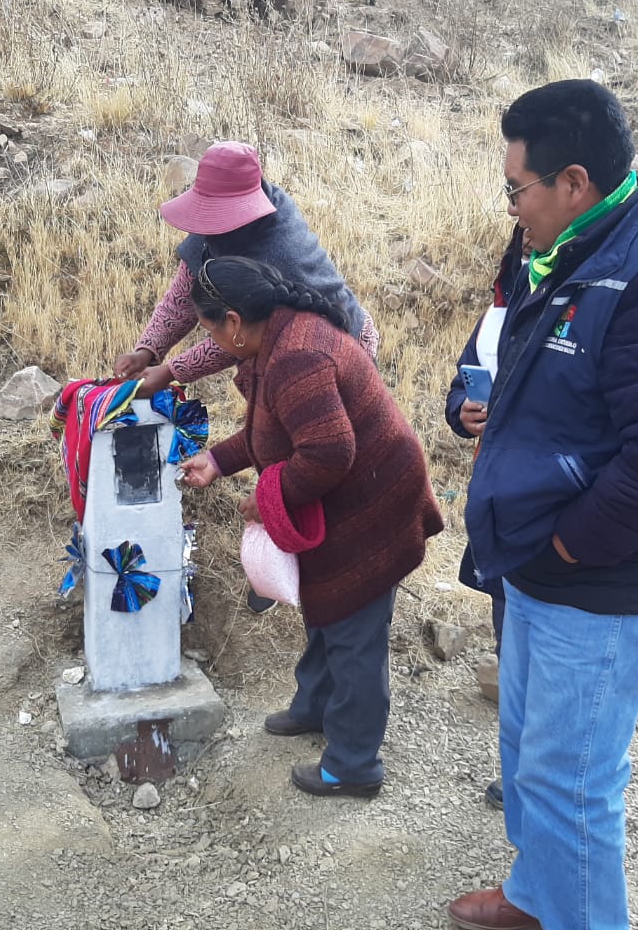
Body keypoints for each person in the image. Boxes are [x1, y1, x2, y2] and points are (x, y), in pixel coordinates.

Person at [445, 80, 638, 930]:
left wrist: (568, 550)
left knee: (573, 786)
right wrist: (469, 401)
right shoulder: (550, 249)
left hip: (594, 576)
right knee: (533, 762)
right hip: (529, 558)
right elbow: (501, 347)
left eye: (515, 188)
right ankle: (536, 897)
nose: (509, 204)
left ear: (573, 182)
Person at [179, 256, 443, 797]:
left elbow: (326, 452)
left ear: (232, 321)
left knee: (354, 630)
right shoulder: (277, 339)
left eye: (208, 329)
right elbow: (278, 431)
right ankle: (316, 706)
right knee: (327, 608)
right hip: (350, 492)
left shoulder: (296, 355)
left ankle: (354, 764)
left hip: (373, 501)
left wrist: (266, 499)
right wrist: (220, 460)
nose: (209, 341)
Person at [113, 140, 379, 393]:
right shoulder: (219, 222)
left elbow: (240, 336)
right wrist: (146, 351)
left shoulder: (280, 254)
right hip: (286, 356)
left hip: (337, 354)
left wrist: (171, 372)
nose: (210, 225)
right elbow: (183, 295)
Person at [443, 224, 527, 813]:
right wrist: (462, 412)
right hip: (498, 496)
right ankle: (518, 769)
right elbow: (463, 378)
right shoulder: (498, 311)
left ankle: (533, 775)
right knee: (509, 636)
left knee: (538, 645)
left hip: (537, 504)